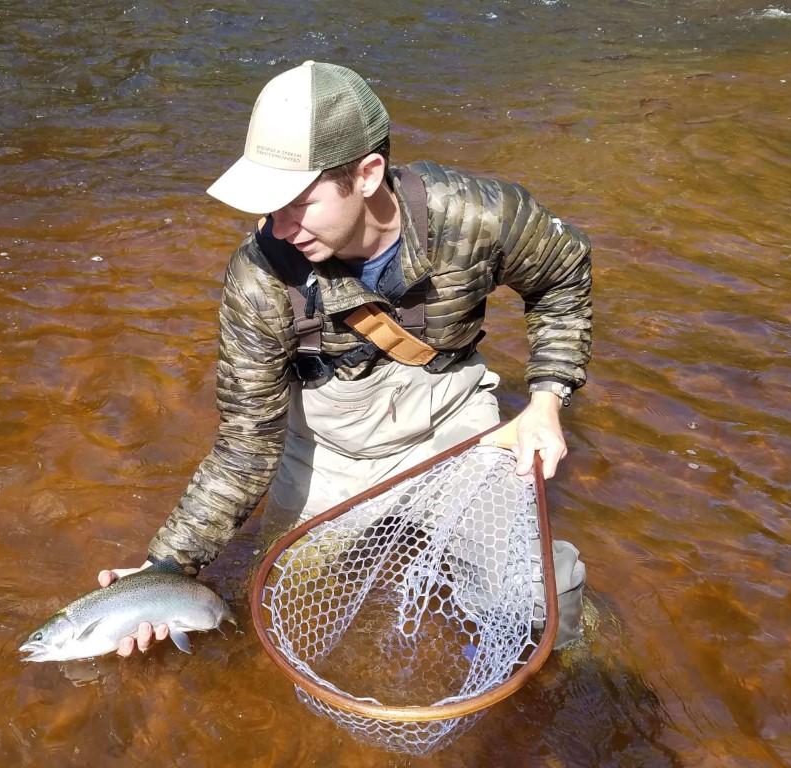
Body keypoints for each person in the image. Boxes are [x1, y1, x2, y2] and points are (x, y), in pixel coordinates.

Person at [99, 61, 592, 655]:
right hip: (323, 451)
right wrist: (166, 570)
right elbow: (248, 441)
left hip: (450, 428)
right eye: (265, 204)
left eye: (294, 203)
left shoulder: (477, 217)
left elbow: (563, 277)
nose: (276, 228)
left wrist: (546, 400)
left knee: (534, 596)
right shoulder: (258, 280)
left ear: (367, 174)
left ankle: (578, 673)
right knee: (279, 605)